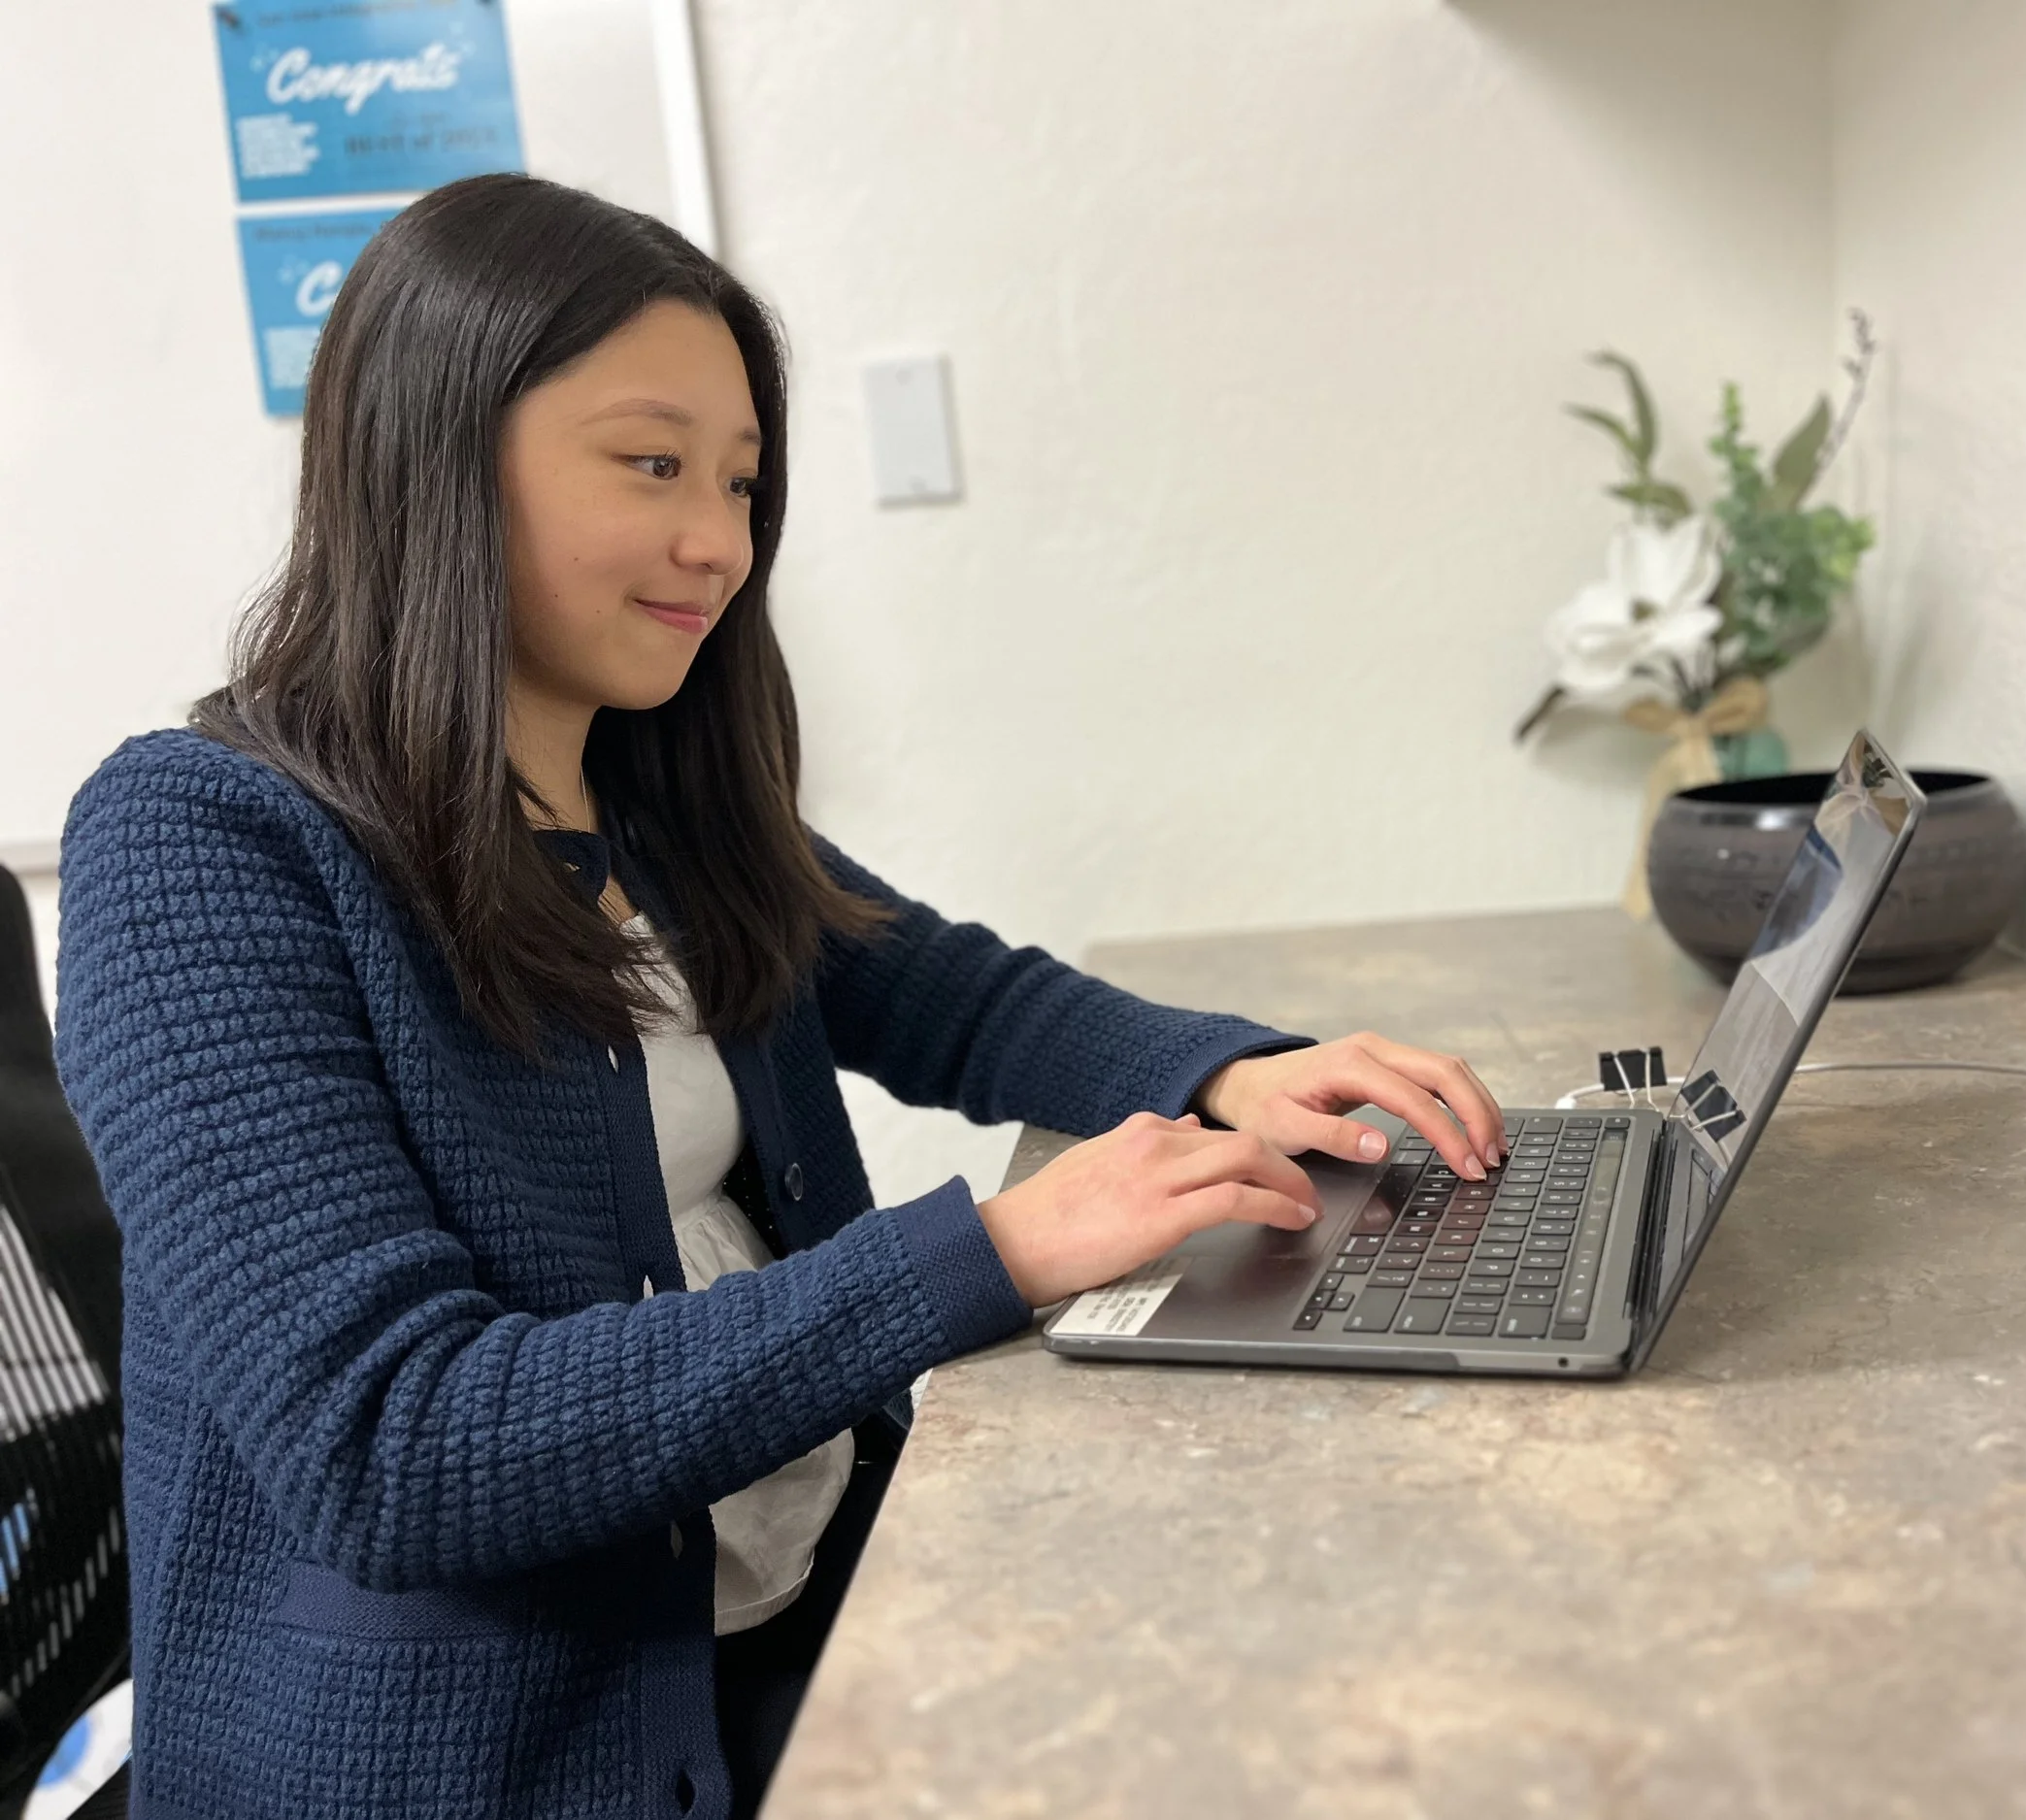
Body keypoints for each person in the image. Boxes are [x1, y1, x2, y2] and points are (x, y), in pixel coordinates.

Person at [51, 174, 1506, 1820]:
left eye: (741, 482)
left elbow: (950, 994)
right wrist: (995, 1249)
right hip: (496, 1765)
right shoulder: (201, 843)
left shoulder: (652, 800)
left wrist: (1233, 1069)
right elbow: (393, 1444)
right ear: (434, 457)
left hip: (793, 1618)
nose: (721, 544)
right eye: (653, 464)